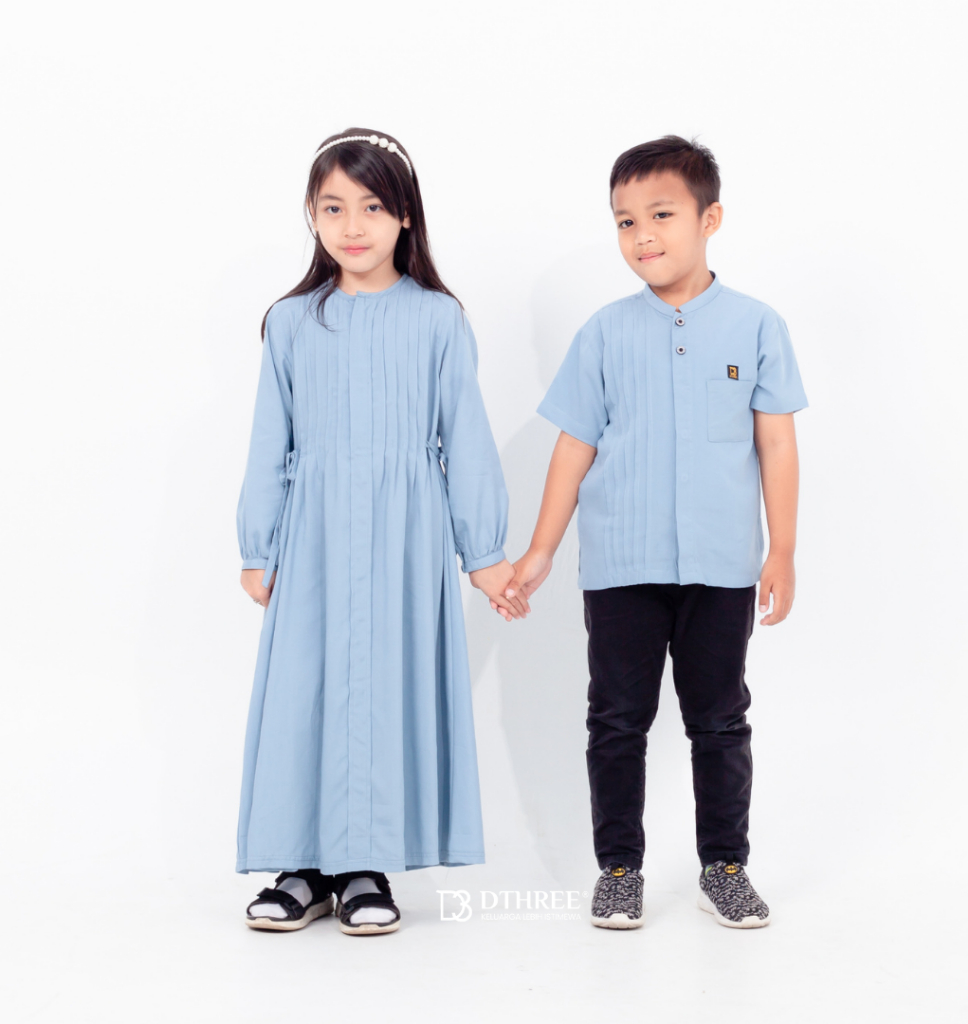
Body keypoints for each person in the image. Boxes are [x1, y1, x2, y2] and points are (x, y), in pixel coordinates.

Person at [504, 135, 807, 930]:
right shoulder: (605, 333)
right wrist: (540, 550)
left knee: (720, 720)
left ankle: (725, 866)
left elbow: (776, 444)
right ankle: (618, 870)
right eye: (625, 220)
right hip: (621, 566)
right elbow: (574, 446)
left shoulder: (756, 326)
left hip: (722, 567)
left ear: (710, 218)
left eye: (661, 215)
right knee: (616, 722)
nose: (642, 235)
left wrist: (781, 550)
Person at [235, 129, 523, 936]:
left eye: (371, 206)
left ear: (404, 217)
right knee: (305, 691)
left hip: (406, 537)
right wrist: (258, 545)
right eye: (333, 208)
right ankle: (302, 866)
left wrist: (484, 553)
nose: (352, 225)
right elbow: (269, 440)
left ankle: (365, 865)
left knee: (386, 688)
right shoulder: (291, 322)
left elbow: (466, 437)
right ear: (311, 216)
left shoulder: (437, 319)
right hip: (313, 535)